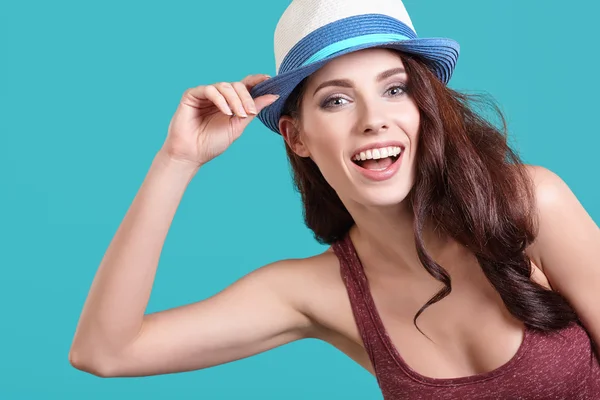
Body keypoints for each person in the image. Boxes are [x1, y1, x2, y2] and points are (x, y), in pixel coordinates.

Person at [69, 0, 600, 398]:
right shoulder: (314, 292)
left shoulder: (529, 204)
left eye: (395, 89)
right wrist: (176, 161)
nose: (374, 119)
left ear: (424, 107)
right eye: (337, 99)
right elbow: (105, 351)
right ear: (297, 137)